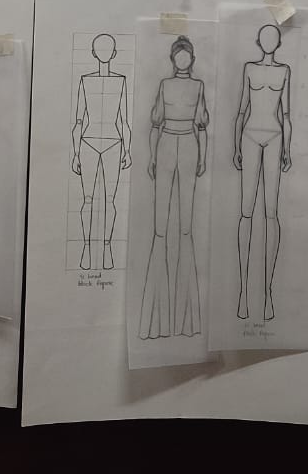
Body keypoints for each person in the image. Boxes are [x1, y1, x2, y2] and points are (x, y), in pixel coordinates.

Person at [140, 37, 208, 339]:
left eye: (186, 55)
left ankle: (186, 321)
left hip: (189, 146)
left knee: (185, 227)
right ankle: (155, 320)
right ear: (173, 58)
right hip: (166, 143)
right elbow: (155, 124)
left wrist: (203, 157)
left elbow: (202, 127)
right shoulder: (164, 85)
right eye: (178, 55)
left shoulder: (199, 86)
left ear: (191, 59)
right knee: (160, 227)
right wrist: (153, 156)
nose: (182, 59)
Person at [233, 23, 292, 321]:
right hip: (250, 136)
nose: (269, 40)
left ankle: (267, 293)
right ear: (258, 41)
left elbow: (286, 114)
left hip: (275, 137)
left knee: (271, 213)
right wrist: (236, 146)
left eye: (274, 37)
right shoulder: (249, 69)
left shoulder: (284, 71)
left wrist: (288, 149)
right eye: (265, 36)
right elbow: (241, 111)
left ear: (278, 42)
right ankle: (243, 292)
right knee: (246, 211)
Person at [71, 34, 132, 271]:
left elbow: (124, 121)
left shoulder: (119, 81)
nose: (105, 53)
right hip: (94, 142)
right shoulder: (87, 81)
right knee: (92, 199)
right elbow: (79, 121)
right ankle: (89, 248)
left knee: (106, 200)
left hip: (109, 143)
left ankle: (104, 249)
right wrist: (76, 152)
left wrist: (127, 149)